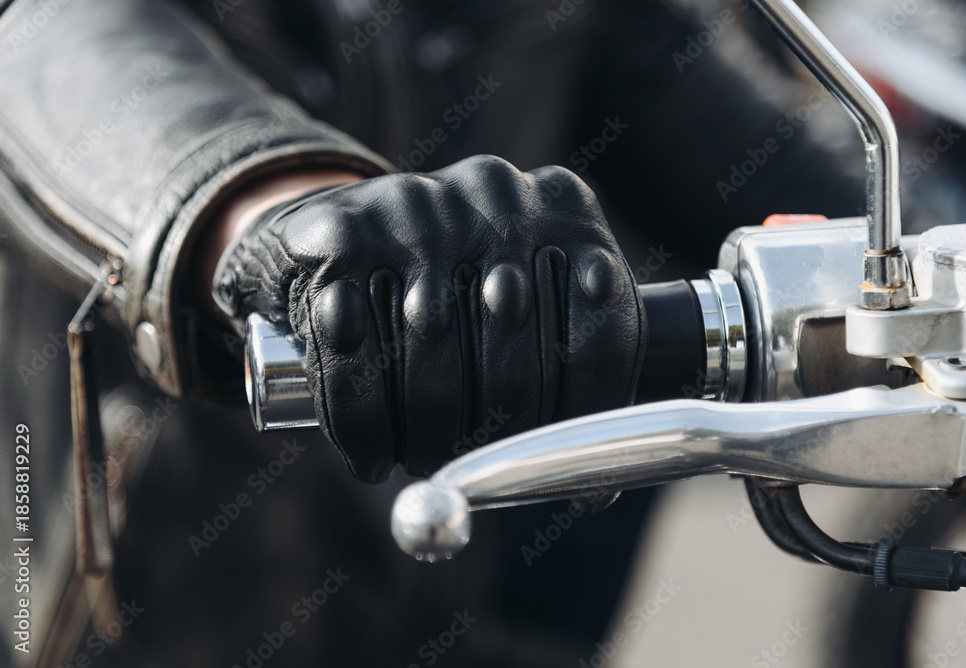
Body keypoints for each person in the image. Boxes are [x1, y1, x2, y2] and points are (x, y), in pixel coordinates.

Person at [0, 0, 863, 665]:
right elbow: (54, 44)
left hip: (455, 587)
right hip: (152, 610)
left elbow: (746, 146)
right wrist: (273, 203)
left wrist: (925, 274)